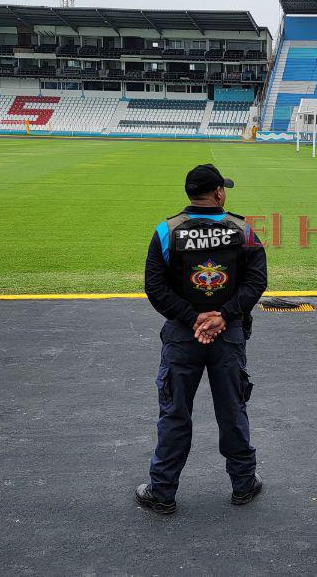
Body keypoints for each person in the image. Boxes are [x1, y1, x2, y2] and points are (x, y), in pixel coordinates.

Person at [137, 164, 268, 515]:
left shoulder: (166, 231)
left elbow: (155, 288)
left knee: (175, 412)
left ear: (189, 194)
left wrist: (194, 318)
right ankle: (243, 484)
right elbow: (256, 283)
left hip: (183, 335)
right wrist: (222, 316)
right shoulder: (243, 230)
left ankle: (162, 491)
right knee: (232, 409)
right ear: (219, 193)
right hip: (228, 334)